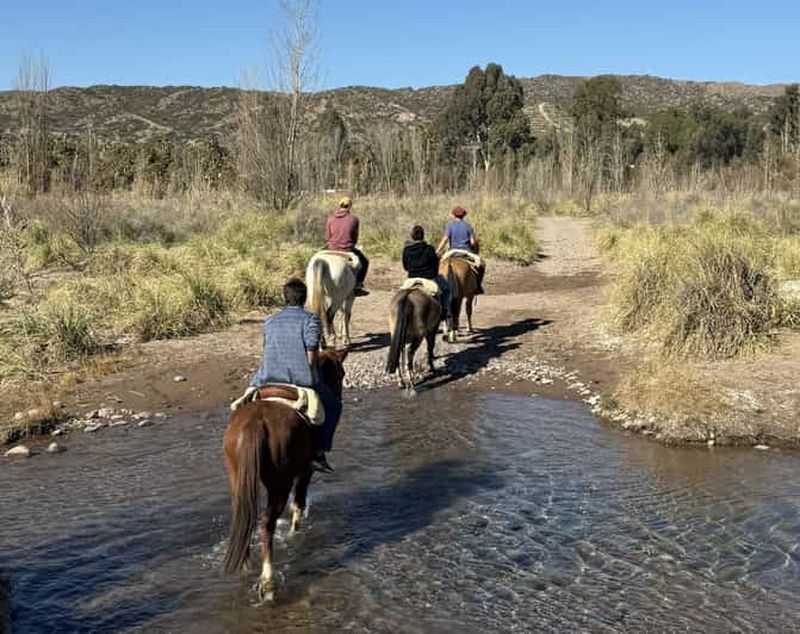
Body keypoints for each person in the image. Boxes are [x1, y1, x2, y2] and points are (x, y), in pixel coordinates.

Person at [249, 278, 341, 473]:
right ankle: (319, 451)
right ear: (304, 299)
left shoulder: (270, 320)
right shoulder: (311, 319)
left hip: (266, 378)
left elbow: (268, 349)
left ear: (285, 298)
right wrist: (313, 373)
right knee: (333, 406)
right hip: (298, 379)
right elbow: (311, 353)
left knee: (244, 405)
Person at [402, 225, 450, 319]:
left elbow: (405, 266)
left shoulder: (406, 250)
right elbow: (435, 264)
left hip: (411, 278)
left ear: (412, 236)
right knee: (446, 289)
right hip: (429, 278)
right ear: (423, 236)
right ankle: (444, 311)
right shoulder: (429, 249)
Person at [436, 205, 486, 294]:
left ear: (454, 215)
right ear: (464, 215)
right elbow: (473, 242)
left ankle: (437, 285)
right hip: (466, 252)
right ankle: (478, 286)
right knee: (482, 264)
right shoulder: (468, 226)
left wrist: (438, 250)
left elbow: (445, 239)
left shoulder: (449, 225)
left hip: (452, 252)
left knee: (439, 265)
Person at [326, 196, 369, 296]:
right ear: (349, 206)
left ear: (339, 205)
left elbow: (328, 236)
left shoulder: (330, 218)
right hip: (347, 249)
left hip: (331, 248)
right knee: (365, 262)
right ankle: (358, 284)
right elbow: (354, 238)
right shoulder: (354, 219)